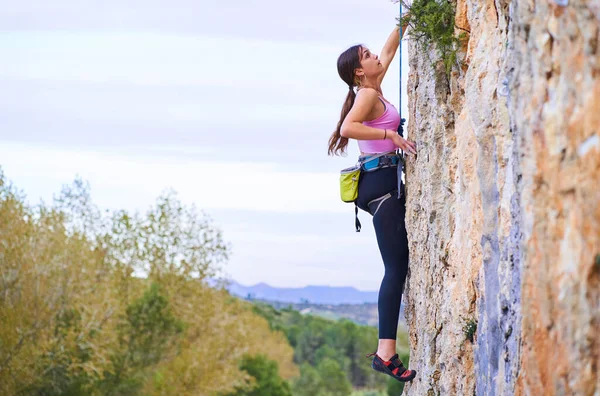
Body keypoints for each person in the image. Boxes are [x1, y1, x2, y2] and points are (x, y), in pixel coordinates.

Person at [327, 19, 418, 383]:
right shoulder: (366, 96)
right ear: (358, 73)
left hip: (378, 186)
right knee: (395, 268)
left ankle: (386, 350)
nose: (374, 55)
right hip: (379, 188)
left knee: (398, 265)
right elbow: (348, 128)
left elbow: (391, 47)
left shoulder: (373, 88)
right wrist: (390, 136)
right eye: (366, 55)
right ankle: (385, 353)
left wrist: (408, 18)